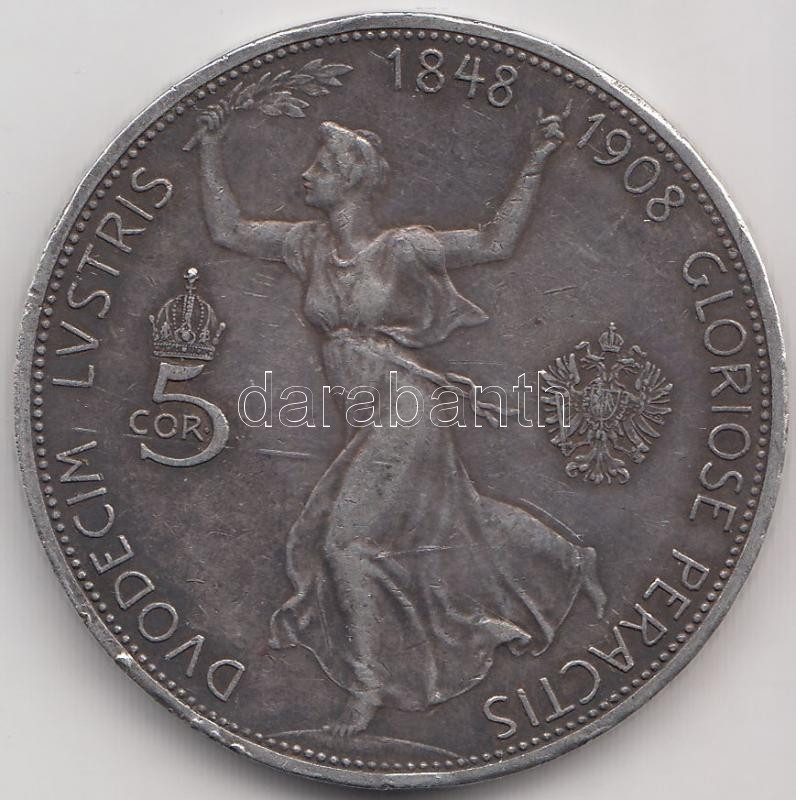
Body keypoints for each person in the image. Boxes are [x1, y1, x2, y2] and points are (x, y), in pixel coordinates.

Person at [194, 105, 606, 736]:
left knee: (344, 543)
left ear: (350, 180)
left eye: (320, 167)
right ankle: (572, 558)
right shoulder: (307, 246)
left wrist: (536, 161)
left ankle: (368, 690)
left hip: (406, 407)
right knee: (461, 513)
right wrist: (209, 147)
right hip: (366, 415)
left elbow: (494, 242)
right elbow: (228, 230)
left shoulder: (403, 249)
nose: (305, 175)